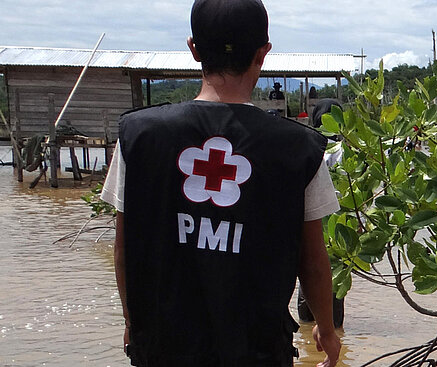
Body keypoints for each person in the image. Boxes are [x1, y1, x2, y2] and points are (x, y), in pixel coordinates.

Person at [100, 0, 341, 365]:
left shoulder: (138, 137)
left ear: (194, 48)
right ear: (263, 53)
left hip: (165, 348)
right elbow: (313, 262)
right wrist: (325, 327)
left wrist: (133, 322)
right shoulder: (299, 149)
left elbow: (124, 252)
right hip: (257, 350)